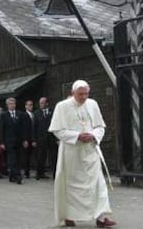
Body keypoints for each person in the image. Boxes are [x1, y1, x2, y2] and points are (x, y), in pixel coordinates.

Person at [49, 80, 115, 228]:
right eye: (80, 94)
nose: (84, 97)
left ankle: (101, 217)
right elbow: (57, 131)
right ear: (73, 93)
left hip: (91, 151)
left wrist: (93, 135)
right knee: (71, 186)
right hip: (72, 153)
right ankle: (69, 216)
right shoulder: (62, 106)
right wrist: (77, 136)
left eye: (86, 93)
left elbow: (100, 126)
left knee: (99, 183)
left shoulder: (93, 104)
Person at [0, 97, 24, 184]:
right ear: (7, 105)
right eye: (10, 104)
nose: (11, 105)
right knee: (12, 159)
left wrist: (24, 139)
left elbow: (23, 128)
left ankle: (12, 176)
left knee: (18, 158)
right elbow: (1, 129)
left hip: (18, 140)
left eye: (13, 103)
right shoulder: (3, 115)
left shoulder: (20, 114)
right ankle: (18, 176)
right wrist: (2, 142)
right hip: (8, 141)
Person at [33, 97, 55, 180]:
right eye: (40, 103)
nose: (41, 105)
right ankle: (40, 173)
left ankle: (55, 174)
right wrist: (34, 139)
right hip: (41, 138)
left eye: (43, 103)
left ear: (47, 103)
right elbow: (34, 127)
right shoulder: (36, 113)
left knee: (53, 156)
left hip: (51, 137)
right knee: (41, 157)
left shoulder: (52, 112)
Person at [21, 100, 35, 178]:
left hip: (33, 137)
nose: (30, 106)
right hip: (27, 138)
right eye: (28, 105)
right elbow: (23, 128)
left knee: (30, 155)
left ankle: (29, 170)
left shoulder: (34, 115)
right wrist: (24, 139)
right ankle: (26, 172)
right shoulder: (23, 115)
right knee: (26, 155)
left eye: (31, 105)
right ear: (26, 106)